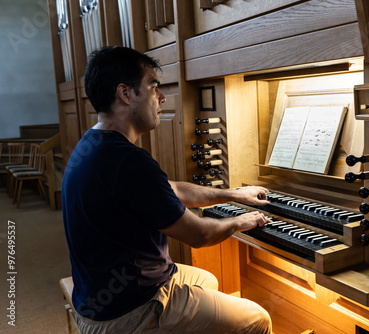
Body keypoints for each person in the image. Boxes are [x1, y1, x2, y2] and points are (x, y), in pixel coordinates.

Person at [61, 46, 273, 334]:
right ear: (125, 93)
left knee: (207, 281)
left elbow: (169, 189)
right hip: (129, 311)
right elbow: (199, 235)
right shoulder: (129, 161)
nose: (161, 98)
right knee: (256, 320)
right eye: (153, 86)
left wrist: (234, 194)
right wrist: (240, 221)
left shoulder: (94, 143)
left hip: (100, 296)